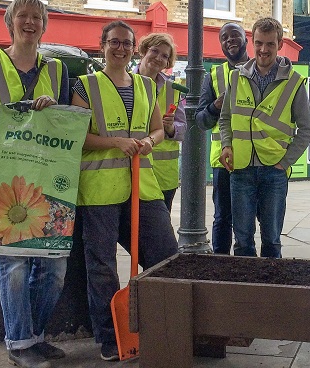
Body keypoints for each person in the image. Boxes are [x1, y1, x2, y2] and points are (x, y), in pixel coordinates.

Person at [0, 0, 70, 367]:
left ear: (44, 26)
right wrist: (2, 118)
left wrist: (54, 108)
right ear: (10, 22)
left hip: (47, 180)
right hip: (2, 180)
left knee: (53, 268)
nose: (30, 22)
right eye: (23, 16)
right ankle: (19, 344)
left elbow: (68, 121)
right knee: (14, 266)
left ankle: (34, 336)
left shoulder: (57, 70)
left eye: (37, 17)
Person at [70, 21, 178, 361]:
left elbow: (159, 129)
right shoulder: (86, 86)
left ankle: (162, 326)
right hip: (100, 190)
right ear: (102, 45)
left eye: (127, 43)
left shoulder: (147, 87)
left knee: (166, 256)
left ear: (134, 48)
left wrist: (148, 141)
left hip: (144, 187)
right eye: (114, 42)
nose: (121, 48)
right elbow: (77, 137)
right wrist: (115, 142)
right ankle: (110, 338)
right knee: (101, 265)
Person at [218, 17, 310, 258]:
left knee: (271, 240)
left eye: (270, 44)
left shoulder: (294, 82)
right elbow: (225, 118)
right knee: (242, 241)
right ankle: (244, 293)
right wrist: (227, 145)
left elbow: (306, 129)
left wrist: (285, 163)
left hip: (274, 170)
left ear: (280, 44)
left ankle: (271, 293)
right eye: (259, 43)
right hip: (241, 169)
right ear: (251, 41)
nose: (263, 49)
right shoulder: (236, 77)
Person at [195, 22, 249, 254]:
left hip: (255, 157)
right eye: (224, 38)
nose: (229, 40)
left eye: (234, 35)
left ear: (246, 38)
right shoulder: (214, 75)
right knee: (222, 218)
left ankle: (247, 265)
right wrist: (216, 105)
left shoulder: (260, 69)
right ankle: (220, 263)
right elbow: (201, 120)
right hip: (223, 162)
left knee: (248, 221)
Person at [135, 32, 186, 211]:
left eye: (165, 56)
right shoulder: (123, 81)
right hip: (131, 171)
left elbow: (183, 128)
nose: (158, 58)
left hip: (163, 176)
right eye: (155, 51)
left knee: (159, 232)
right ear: (143, 51)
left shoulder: (173, 89)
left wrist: (171, 128)